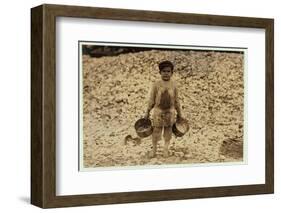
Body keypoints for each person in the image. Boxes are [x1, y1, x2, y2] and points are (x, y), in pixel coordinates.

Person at [144, 60, 183, 158]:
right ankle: (154, 150)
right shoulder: (156, 85)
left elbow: (176, 100)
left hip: (170, 112)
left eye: (168, 71)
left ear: (172, 73)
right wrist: (147, 112)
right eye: (164, 71)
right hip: (158, 111)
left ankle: (166, 149)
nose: (166, 73)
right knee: (156, 131)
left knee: (168, 131)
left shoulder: (174, 85)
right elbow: (152, 99)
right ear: (160, 72)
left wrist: (180, 114)